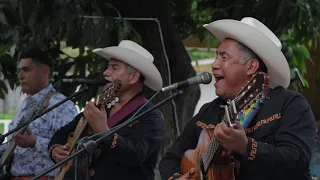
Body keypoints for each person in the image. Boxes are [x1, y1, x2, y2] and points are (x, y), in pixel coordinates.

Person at [159, 17, 316, 180]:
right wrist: (176, 177)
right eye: (216, 57)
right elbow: (170, 159)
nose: (214, 65)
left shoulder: (289, 104)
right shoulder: (208, 111)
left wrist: (246, 147)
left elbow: (298, 162)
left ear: (251, 67)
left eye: (223, 57)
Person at [48, 40, 165, 180]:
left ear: (133, 76)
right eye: (108, 66)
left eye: (114, 67)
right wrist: (55, 149)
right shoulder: (103, 106)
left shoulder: (151, 117)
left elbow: (136, 155)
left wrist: (104, 132)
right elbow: (63, 132)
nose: (106, 73)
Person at [0, 47, 78, 180]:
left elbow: (70, 149)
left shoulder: (61, 105)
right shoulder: (26, 104)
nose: (20, 76)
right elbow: (15, 148)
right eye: (19, 71)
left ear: (45, 71)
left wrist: (35, 142)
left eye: (26, 70)